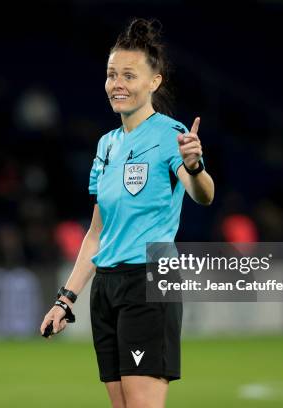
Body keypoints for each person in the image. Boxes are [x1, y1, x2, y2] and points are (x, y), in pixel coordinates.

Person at [40, 17, 215, 408]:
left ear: (154, 82)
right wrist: (65, 299)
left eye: (129, 75)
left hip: (150, 278)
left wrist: (196, 165)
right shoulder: (106, 145)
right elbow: (96, 234)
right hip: (107, 286)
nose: (117, 83)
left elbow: (202, 195)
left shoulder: (173, 135)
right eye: (111, 74)